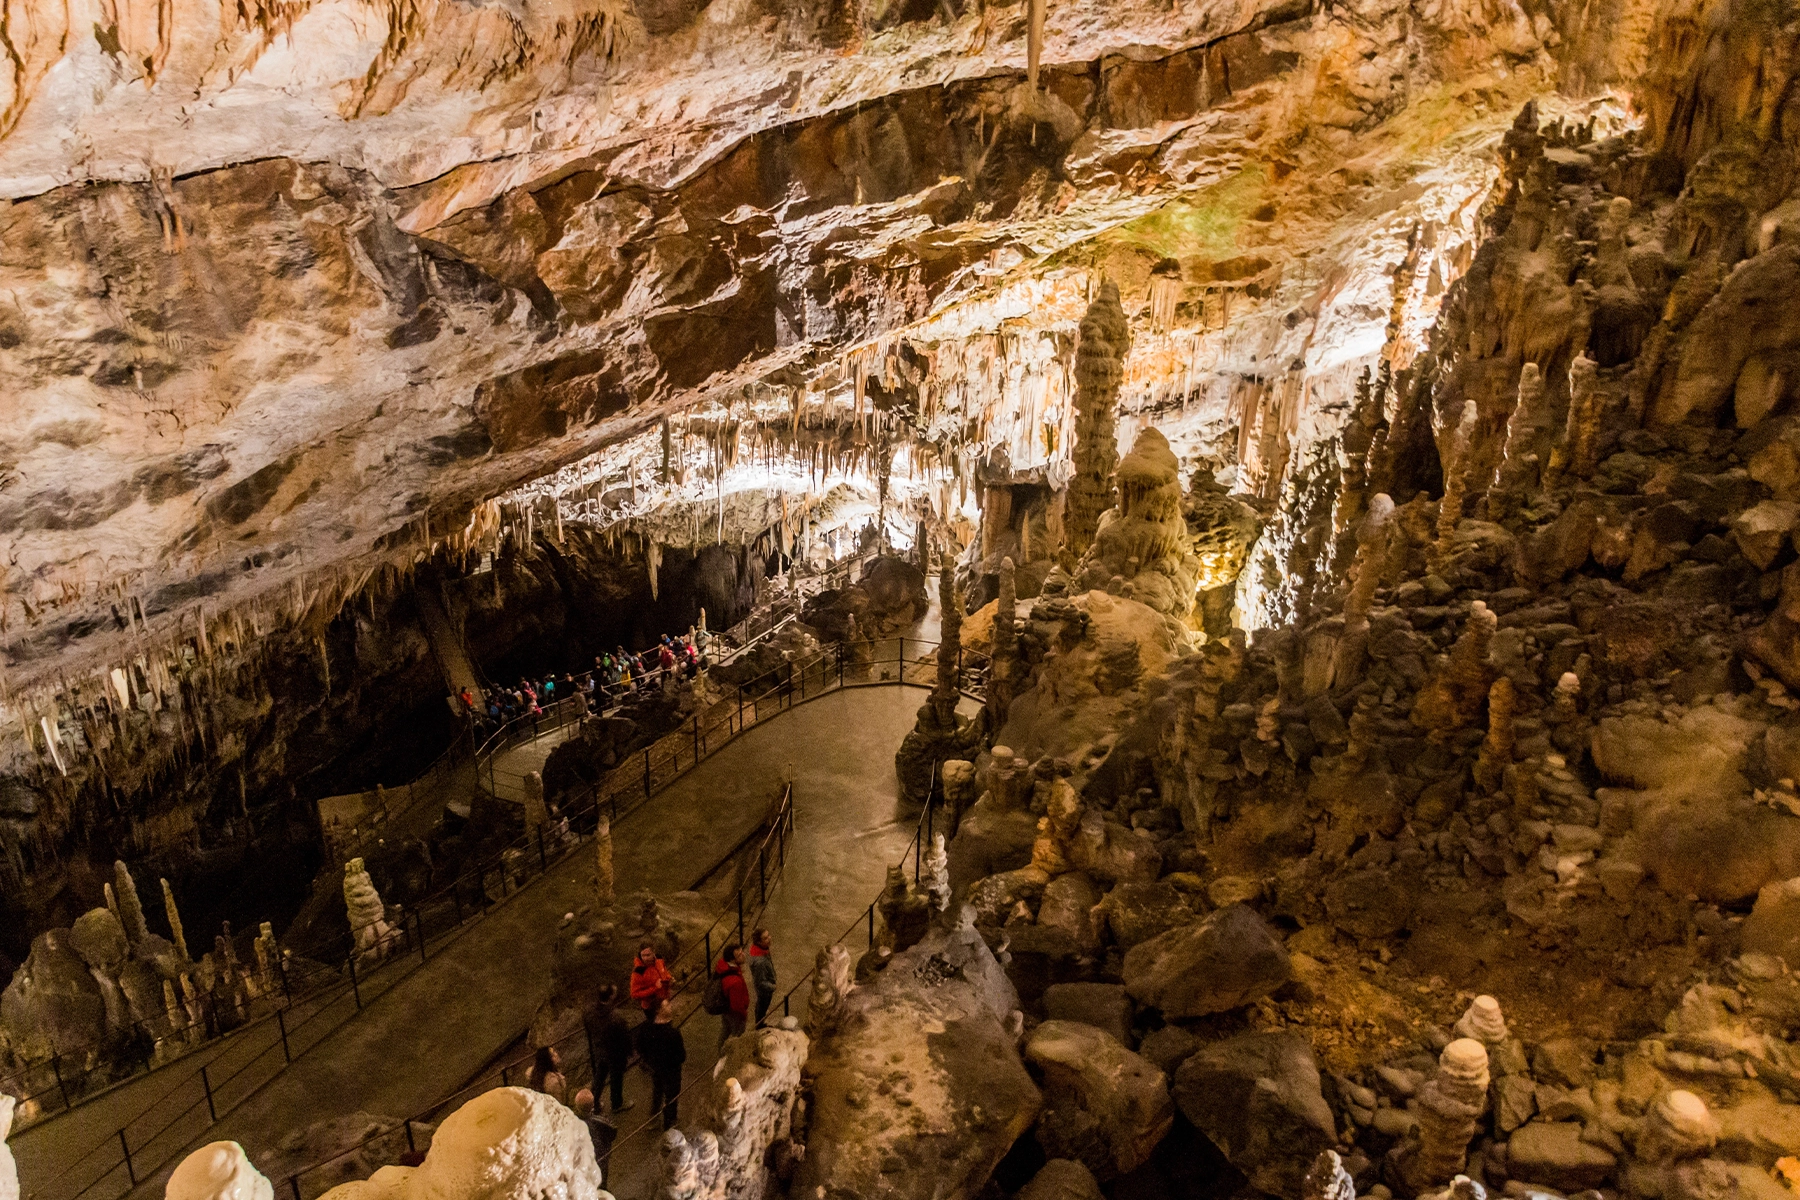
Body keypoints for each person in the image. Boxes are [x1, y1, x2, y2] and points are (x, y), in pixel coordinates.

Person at [583, 983, 634, 1114]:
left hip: (599, 1051)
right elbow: (625, 1037)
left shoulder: (589, 1012)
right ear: (611, 996)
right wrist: (629, 1052)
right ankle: (617, 1104)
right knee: (616, 1078)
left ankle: (593, 1103)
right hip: (615, 1054)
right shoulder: (616, 1018)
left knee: (599, 1077)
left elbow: (589, 1031)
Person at [637, 999, 687, 1131]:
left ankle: (653, 1118)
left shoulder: (645, 1028)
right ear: (659, 1010)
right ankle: (669, 1122)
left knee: (657, 1091)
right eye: (667, 1005)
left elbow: (639, 1047)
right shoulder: (673, 1033)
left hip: (655, 1068)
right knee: (672, 1096)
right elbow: (681, 1056)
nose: (670, 1006)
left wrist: (649, 1060)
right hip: (671, 1071)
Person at [712, 943, 750, 1050]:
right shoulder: (734, 982)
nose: (743, 955)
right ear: (733, 960)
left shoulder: (724, 967)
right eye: (739, 955)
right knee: (737, 1036)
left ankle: (720, 1050)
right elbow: (736, 1006)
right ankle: (732, 1054)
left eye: (742, 951)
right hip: (735, 1014)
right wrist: (744, 1014)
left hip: (726, 1009)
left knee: (725, 1030)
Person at [570, 1088, 617, 1171]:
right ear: (592, 1106)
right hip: (601, 1160)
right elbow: (612, 1133)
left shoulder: (570, 1122)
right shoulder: (601, 1122)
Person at [629, 942, 674, 1015]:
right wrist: (655, 988)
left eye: (648, 955)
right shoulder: (639, 971)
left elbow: (663, 971)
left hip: (665, 1000)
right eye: (643, 955)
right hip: (652, 1007)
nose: (645, 958)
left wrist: (669, 978)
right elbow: (634, 994)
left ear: (653, 953)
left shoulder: (659, 959)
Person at [749, 928, 776, 1027]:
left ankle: (760, 1022)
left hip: (766, 986)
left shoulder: (763, 950)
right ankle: (760, 1025)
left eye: (768, 935)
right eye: (765, 938)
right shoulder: (760, 962)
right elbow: (760, 982)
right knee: (762, 1007)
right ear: (759, 942)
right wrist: (773, 986)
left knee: (761, 1006)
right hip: (765, 990)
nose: (769, 938)